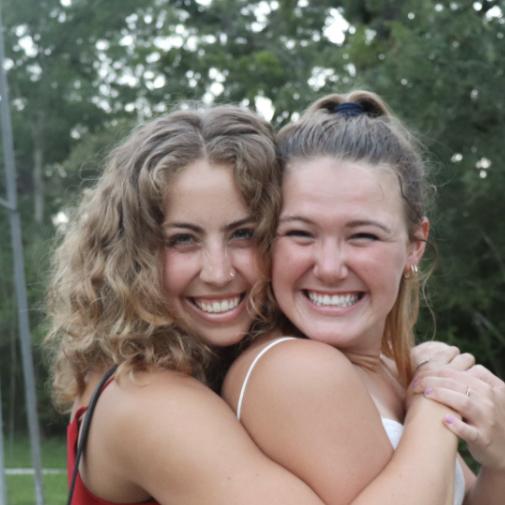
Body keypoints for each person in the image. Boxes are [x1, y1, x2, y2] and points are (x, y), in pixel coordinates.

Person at [46, 100, 480, 505]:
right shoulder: (144, 400)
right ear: (133, 257)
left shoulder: (215, 368)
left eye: (243, 234)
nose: (218, 272)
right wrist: (437, 405)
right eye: (182, 239)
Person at [222, 91, 505, 505]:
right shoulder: (293, 368)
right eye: (300, 233)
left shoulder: (394, 370)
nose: (329, 267)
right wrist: (436, 403)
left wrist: (499, 460)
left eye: (363, 236)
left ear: (415, 245)